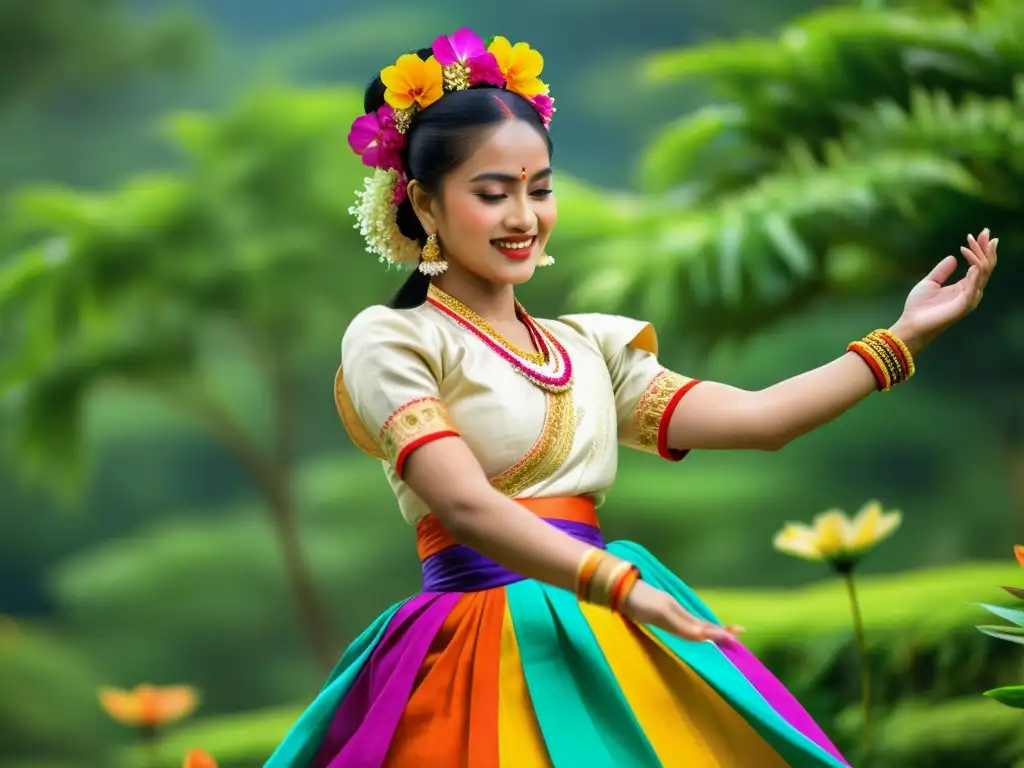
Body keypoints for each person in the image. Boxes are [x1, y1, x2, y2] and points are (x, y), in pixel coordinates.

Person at [266, 28, 997, 768]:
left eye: (539, 188)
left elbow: (761, 419)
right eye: (493, 193)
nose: (524, 216)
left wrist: (900, 340)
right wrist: (621, 586)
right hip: (487, 643)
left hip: (607, 629)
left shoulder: (588, 348)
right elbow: (464, 506)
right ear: (424, 203)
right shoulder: (393, 338)